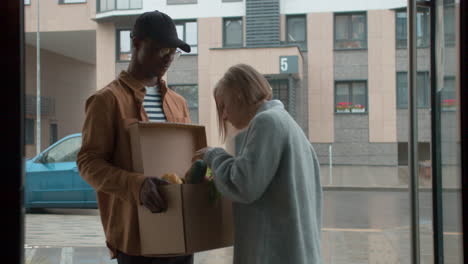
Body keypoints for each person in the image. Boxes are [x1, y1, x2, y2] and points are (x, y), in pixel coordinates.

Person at [77, 10, 193, 264]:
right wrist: (137, 186)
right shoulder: (106, 101)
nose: (169, 58)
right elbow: (88, 163)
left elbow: (186, 161)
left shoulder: (179, 103)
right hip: (135, 239)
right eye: (162, 50)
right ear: (137, 43)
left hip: (181, 233)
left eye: (173, 52)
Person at [193, 64, 323, 264]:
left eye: (223, 106)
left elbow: (243, 185)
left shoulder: (266, 122)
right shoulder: (287, 124)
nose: (225, 116)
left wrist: (214, 155)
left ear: (238, 95)